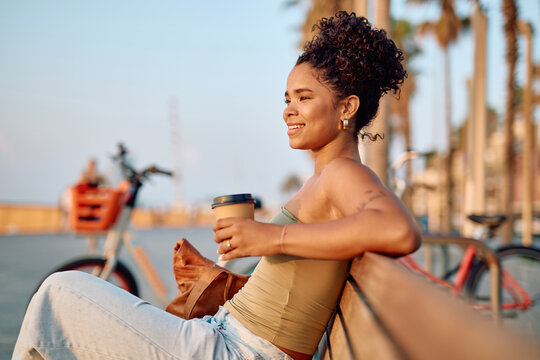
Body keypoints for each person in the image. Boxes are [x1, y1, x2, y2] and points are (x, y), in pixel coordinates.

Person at [13, 11, 420, 360]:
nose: (288, 111)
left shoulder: (343, 174)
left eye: (303, 97)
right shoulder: (324, 177)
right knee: (66, 302)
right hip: (224, 336)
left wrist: (270, 237)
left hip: (235, 351)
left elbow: (398, 230)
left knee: (60, 291)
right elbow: (297, 286)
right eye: (286, 98)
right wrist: (226, 279)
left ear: (347, 107)